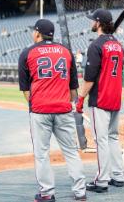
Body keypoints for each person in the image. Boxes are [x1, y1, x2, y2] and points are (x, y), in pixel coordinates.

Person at [18, 19, 86, 201]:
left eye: (34, 31)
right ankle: (80, 192)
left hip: (40, 110)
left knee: (42, 154)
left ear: (38, 33)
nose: (33, 34)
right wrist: (67, 103)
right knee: (71, 151)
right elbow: (73, 90)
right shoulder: (66, 52)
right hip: (63, 109)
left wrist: (35, 105)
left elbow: (26, 91)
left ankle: (47, 193)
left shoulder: (27, 53)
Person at [76, 9, 124, 193]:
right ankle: (118, 175)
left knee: (101, 140)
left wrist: (80, 98)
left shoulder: (96, 45)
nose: (91, 24)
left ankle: (102, 181)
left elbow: (90, 79)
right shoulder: (118, 44)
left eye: (92, 21)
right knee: (112, 137)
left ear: (98, 23)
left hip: (101, 97)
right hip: (115, 96)